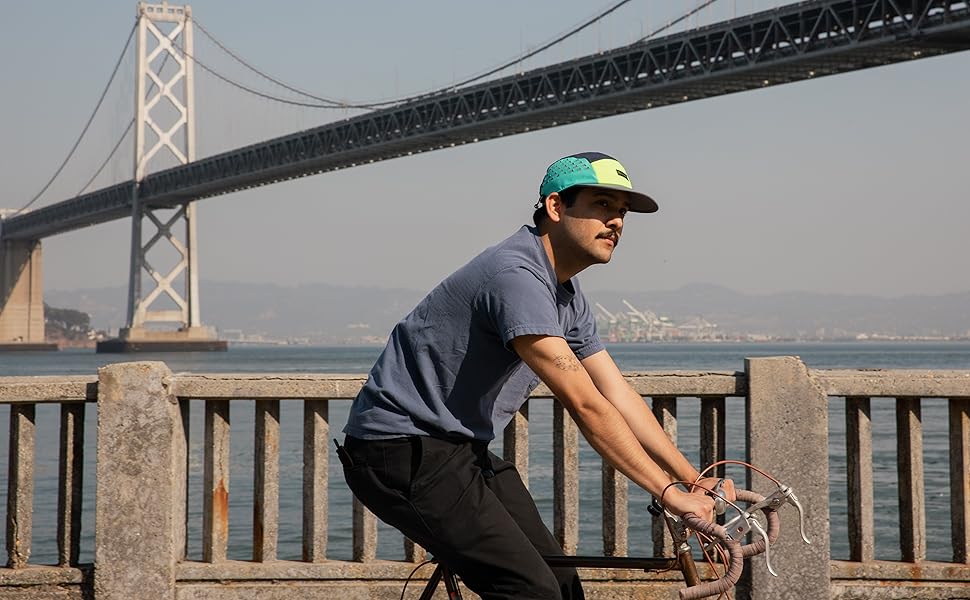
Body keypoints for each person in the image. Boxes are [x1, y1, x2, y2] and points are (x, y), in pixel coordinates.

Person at [338, 152, 735, 600]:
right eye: (602, 204)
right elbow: (586, 404)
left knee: (563, 584)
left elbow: (617, 395)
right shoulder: (516, 276)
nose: (616, 222)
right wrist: (668, 493)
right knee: (530, 590)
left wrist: (691, 479)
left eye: (622, 212)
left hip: (460, 450)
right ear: (555, 207)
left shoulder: (566, 294)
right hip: (398, 452)